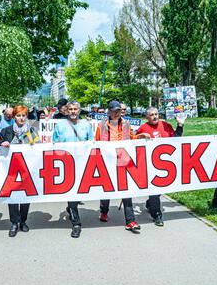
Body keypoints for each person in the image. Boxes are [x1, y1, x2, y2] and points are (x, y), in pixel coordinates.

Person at [95, 101, 149, 233]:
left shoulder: (126, 124)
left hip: (122, 160)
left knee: (126, 190)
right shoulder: (101, 125)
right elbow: (96, 143)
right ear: (109, 111)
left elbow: (130, 138)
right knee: (107, 188)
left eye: (118, 110)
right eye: (114, 110)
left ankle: (130, 221)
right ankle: (104, 211)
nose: (116, 113)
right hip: (107, 161)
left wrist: (139, 137)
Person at [136, 106, 186, 226]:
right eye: (152, 115)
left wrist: (180, 125)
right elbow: (135, 143)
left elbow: (176, 140)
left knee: (159, 190)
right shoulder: (143, 128)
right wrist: (140, 137)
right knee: (154, 189)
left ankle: (150, 203)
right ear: (147, 117)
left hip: (165, 164)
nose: (155, 117)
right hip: (150, 164)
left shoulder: (166, 125)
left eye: (156, 114)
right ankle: (157, 215)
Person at [52, 100, 94, 238]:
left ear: (79, 110)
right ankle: (76, 224)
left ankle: (71, 208)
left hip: (82, 164)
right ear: (66, 110)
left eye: (75, 109)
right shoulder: (60, 125)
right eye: (70, 109)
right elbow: (54, 145)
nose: (73, 112)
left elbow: (91, 144)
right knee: (72, 192)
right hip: (66, 164)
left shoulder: (86, 125)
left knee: (78, 192)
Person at [0, 105, 40, 237]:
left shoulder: (32, 131)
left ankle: (23, 221)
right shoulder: (6, 131)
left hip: (27, 168)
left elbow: (38, 150)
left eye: (23, 116)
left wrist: (35, 146)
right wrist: (2, 144)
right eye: (18, 116)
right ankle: (14, 223)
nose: (21, 118)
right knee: (13, 196)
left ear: (27, 116)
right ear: (14, 117)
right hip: (11, 169)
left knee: (26, 196)